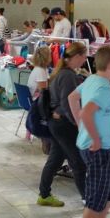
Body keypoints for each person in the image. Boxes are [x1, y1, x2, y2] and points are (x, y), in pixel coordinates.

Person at [67, 46, 110, 218]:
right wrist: (95, 137)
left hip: (102, 149)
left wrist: (81, 125)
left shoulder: (91, 80)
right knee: (95, 202)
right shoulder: (104, 89)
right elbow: (86, 111)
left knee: (107, 198)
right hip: (96, 149)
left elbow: (73, 98)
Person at [37, 42, 88, 207]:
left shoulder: (62, 73)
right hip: (64, 125)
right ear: (77, 56)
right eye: (84, 56)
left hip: (57, 123)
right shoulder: (68, 76)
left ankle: (44, 194)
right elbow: (68, 103)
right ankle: (88, 200)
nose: (85, 59)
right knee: (78, 163)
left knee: (56, 159)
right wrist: (77, 124)